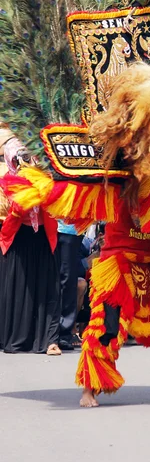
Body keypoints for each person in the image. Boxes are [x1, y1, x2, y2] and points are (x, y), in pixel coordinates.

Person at [0, 139, 61, 355]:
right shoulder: (7, 181)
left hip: (43, 238)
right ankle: (17, 338)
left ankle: (49, 341)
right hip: (19, 239)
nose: (26, 162)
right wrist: (24, 198)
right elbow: (12, 211)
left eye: (28, 157)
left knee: (49, 288)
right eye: (20, 158)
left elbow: (54, 202)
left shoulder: (44, 179)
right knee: (19, 288)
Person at [56, 221, 84, 350]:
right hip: (46, 228)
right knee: (47, 279)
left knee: (68, 279)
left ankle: (64, 332)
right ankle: (46, 331)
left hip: (69, 229)